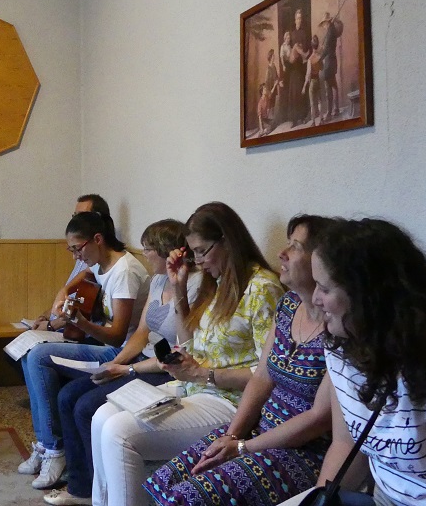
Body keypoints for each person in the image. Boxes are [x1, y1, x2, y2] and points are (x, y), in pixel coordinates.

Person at [90, 201, 284, 506]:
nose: (198, 261)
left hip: (229, 400)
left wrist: (204, 374)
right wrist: (179, 290)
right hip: (194, 387)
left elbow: (268, 373)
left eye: (202, 251)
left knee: (119, 432)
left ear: (228, 241)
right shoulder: (218, 283)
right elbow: (189, 343)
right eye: (192, 252)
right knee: (101, 416)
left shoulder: (261, 289)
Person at [143, 215, 333, 506]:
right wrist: (232, 436)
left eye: (294, 246)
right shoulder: (289, 304)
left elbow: (318, 418)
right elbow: (262, 377)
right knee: (167, 480)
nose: (282, 252)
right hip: (257, 425)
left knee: (185, 497)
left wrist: (242, 446)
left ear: (321, 261)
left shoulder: (338, 326)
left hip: (299, 449)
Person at [44, 219, 202, 506]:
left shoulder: (195, 283)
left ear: (166, 251)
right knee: (68, 395)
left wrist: (126, 369)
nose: (144, 255)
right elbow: (141, 333)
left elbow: (184, 345)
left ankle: (101, 494)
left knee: (87, 406)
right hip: (140, 359)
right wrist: (114, 364)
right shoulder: (157, 281)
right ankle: (81, 487)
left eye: (148, 249)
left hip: (166, 368)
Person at [304, 219, 426, 505]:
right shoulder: (339, 348)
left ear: (367, 295)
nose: (314, 299)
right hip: (382, 496)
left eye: (324, 288)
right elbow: (348, 444)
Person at [17, 211, 150, 490]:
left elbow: (116, 338)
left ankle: (55, 449)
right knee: (30, 352)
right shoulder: (102, 264)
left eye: (78, 249)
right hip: (104, 343)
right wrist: (64, 291)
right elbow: (88, 275)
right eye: (71, 250)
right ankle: (45, 444)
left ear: (98, 239)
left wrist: (81, 322)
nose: (76, 257)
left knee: (40, 355)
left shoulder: (125, 272)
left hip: (125, 352)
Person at [31, 194, 111, 332]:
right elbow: (68, 296)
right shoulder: (84, 254)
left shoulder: (95, 256)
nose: (76, 221)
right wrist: (46, 315)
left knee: (36, 352)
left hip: (78, 329)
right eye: (74, 216)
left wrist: (50, 326)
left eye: (82, 216)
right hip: (63, 321)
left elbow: (82, 311)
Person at [319, 11, 341, 121]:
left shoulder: (330, 31)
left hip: (328, 63)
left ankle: (329, 113)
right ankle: (336, 109)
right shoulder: (331, 31)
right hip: (332, 62)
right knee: (334, 86)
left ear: (327, 22)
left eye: (324, 23)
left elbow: (326, 49)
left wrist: (319, 59)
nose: (323, 26)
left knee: (329, 88)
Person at [303, 34, 322, 126]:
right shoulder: (319, 57)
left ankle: (314, 121)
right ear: (317, 45)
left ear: (311, 46)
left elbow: (308, 74)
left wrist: (304, 87)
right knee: (319, 101)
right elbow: (322, 68)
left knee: (312, 103)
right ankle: (321, 119)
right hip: (319, 80)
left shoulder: (310, 59)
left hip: (312, 82)